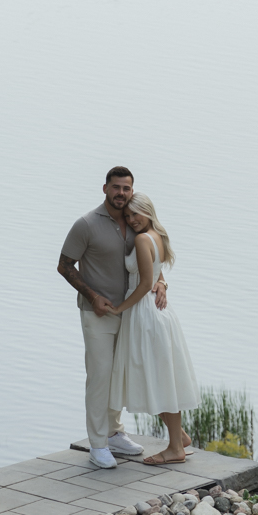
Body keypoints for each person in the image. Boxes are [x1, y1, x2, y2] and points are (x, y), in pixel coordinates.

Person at [58, 166, 168, 469]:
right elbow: (65, 266)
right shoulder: (86, 225)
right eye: (116, 187)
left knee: (119, 373)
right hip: (98, 313)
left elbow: (154, 263)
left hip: (132, 313)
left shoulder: (136, 221)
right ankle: (97, 444)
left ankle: (115, 431)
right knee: (99, 376)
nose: (121, 193)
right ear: (105, 188)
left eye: (126, 188)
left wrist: (162, 283)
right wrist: (93, 297)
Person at [108, 192, 199, 467]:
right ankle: (179, 437)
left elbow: (146, 283)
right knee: (155, 379)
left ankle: (174, 449)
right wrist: (163, 284)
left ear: (148, 211)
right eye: (128, 216)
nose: (132, 220)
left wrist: (118, 309)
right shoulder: (157, 236)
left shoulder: (141, 239)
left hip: (145, 315)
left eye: (136, 214)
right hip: (156, 314)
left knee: (155, 379)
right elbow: (156, 275)